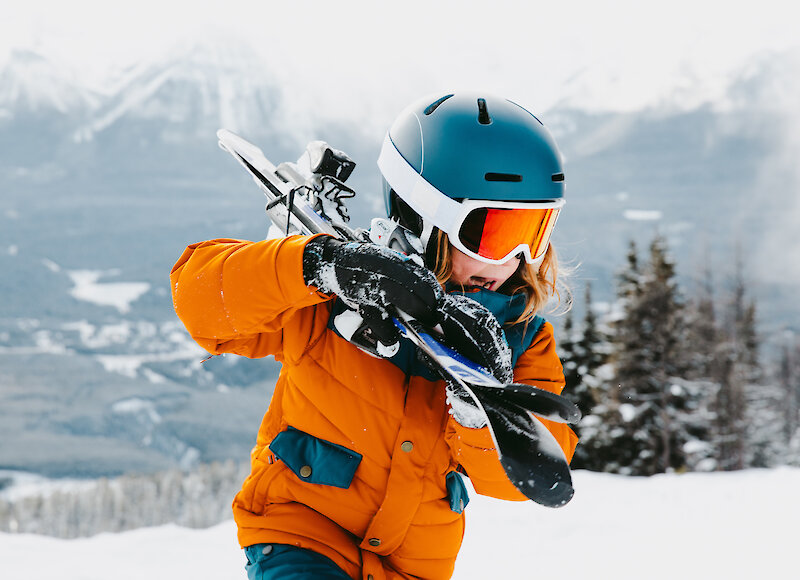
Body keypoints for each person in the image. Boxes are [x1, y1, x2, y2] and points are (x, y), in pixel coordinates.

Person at [171, 92, 578, 580]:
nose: (511, 260)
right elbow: (201, 303)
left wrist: (484, 407)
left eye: (532, 234)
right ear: (424, 216)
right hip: (303, 535)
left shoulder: (523, 340)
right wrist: (316, 266)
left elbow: (531, 478)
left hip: (413, 568)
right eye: (493, 234)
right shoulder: (341, 289)